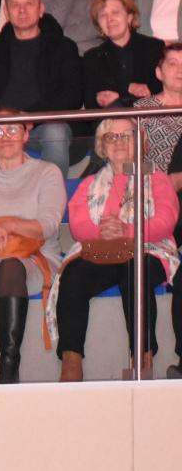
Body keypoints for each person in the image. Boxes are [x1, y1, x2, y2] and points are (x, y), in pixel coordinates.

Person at [54, 118, 179, 382]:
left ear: (141, 143)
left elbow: (165, 221)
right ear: (102, 146)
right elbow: (77, 225)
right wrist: (103, 233)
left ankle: (142, 358)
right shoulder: (89, 182)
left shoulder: (157, 178)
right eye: (112, 137)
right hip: (102, 249)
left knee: (135, 269)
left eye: (127, 136)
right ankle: (71, 363)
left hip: (148, 249)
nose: (119, 142)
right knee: (73, 274)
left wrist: (127, 231)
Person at [0, 109, 67, 385]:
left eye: (12, 129)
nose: (4, 136)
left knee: (10, 267)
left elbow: (47, 225)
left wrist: (6, 225)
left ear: (26, 135)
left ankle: (9, 368)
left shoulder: (47, 172)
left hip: (36, 257)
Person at [0, 0, 81, 177]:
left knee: (55, 133)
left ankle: (53, 191)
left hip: (45, 125)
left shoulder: (63, 47)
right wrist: (6, 119)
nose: (22, 10)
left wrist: (33, 116)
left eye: (29, 3)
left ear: (41, 9)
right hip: (2, 125)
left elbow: (73, 95)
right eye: (15, 5)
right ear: (7, 13)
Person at [82, 0, 164, 110]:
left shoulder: (154, 47)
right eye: (103, 15)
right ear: (99, 25)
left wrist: (118, 97)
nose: (109, 19)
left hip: (149, 118)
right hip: (110, 120)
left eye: (115, 12)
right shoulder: (92, 57)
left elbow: (162, 91)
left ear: (129, 17)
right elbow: (91, 102)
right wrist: (127, 89)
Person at [133, 43, 182, 173]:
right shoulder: (143, 109)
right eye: (173, 64)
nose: (180, 70)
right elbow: (131, 161)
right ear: (159, 73)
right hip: (156, 180)